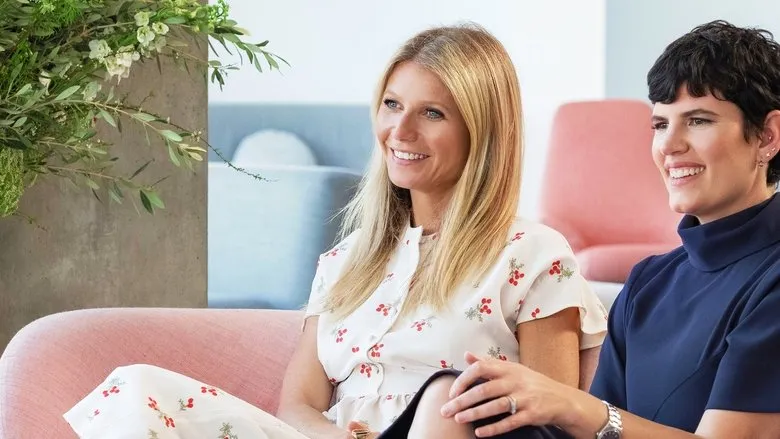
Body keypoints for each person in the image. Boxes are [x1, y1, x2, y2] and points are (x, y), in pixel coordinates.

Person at [62, 23, 608, 439]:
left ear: (481, 130)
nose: (400, 130)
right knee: (135, 387)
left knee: (444, 401)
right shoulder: (346, 261)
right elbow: (297, 405)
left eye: (432, 113)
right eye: (392, 105)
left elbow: (554, 420)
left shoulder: (532, 254)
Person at [437, 20, 780, 439]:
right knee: (447, 403)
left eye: (698, 121)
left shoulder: (772, 281)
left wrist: (571, 404)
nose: (669, 145)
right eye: (660, 124)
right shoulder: (648, 282)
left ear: (767, 136)